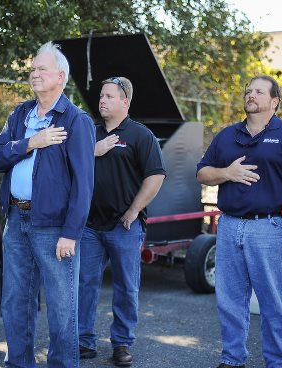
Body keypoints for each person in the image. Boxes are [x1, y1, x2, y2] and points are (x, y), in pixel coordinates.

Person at [196, 75, 282, 368]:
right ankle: (232, 359)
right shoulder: (227, 136)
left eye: (258, 91)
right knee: (229, 300)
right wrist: (226, 173)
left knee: (273, 303)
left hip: (272, 228)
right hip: (229, 226)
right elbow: (202, 173)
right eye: (248, 91)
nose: (250, 95)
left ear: (274, 101)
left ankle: (277, 363)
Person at [0, 42, 96, 368]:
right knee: (15, 303)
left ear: (60, 76)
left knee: (62, 308)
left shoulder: (76, 121)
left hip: (53, 229)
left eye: (41, 69)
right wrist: (29, 143)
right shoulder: (19, 115)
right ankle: (18, 364)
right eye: (32, 69)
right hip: (16, 221)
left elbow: (84, 184)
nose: (34, 73)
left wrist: (71, 233)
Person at [78, 77, 166, 367]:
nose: (102, 100)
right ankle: (83, 341)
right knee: (85, 283)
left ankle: (122, 343)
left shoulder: (141, 135)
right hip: (90, 225)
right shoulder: (89, 133)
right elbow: (70, 164)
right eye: (101, 96)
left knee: (126, 287)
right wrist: (94, 149)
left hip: (124, 226)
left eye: (109, 96)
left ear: (125, 102)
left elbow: (155, 177)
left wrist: (133, 211)